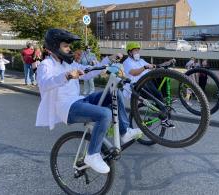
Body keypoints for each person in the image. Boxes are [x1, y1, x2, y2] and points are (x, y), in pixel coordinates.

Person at [36, 29, 142, 174]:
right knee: (105, 114)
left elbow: (88, 71)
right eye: (66, 46)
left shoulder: (69, 64)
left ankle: (125, 132)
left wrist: (108, 60)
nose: (69, 49)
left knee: (114, 92)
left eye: (69, 46)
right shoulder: (46, 65)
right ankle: (92, 155)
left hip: (79, 100)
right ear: (55, 46)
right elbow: (44, 84)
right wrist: (66, 76)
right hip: (65, 108)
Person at [123, 41, 173, 128]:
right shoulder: (127, 62)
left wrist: (166, 63)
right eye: (135, 51)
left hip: (146, 83)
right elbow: (134, 73)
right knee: (157, 96)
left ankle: (164, 100)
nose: (137, 53)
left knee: (160, 75)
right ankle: (163, 118)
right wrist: (145, 67)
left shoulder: (141, 60)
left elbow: (153, 66)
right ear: (130, 52)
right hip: (137, 86)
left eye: (138, 51)